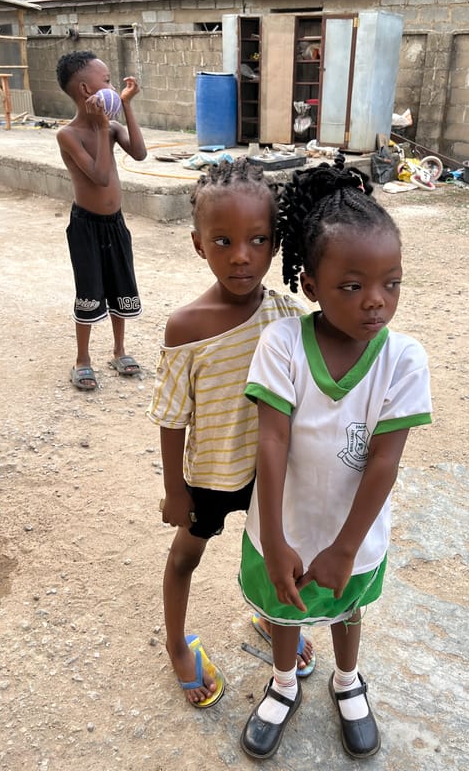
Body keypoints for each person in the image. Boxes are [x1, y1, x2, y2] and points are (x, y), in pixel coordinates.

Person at [239, 157, 432, 759]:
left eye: (391, 283)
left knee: (348, 608)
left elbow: (384, 462)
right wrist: (273, 537)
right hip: (285, 521)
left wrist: (347, 547)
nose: (376, 301)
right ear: (311, 285)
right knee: (283, 604)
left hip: (358, 532)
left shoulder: (403, 360)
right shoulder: (282, 344)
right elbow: (271, 440)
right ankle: (284, 680)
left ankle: (347, 681)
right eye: (352, 286)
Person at [147, 158, 315, 708]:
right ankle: (176, 643)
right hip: (211, 477)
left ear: (275, 243)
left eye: (257, 239)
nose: (241, 255)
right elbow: (173, 417)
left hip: (273, 477)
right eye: (222, 241)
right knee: (185, 558)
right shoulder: (186, 326)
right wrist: (176, 489)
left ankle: (271, 618)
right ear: (198, 244)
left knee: (277, 553)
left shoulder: (287, 316)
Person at [56, 50, 147, 391]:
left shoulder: (112, 127)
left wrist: (126, 106)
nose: (111, 84)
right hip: (86, 226)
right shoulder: (69, 134)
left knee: (120, 284)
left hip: (115, 223)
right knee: (90, 289)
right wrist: (99, 126)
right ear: (84, 89)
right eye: (106, 81)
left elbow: (139, 153)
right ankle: (83, 359)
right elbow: (100, 177)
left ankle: (119, 350)